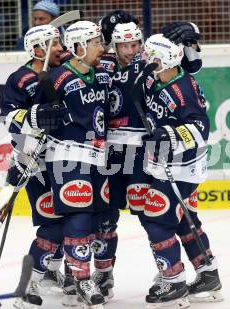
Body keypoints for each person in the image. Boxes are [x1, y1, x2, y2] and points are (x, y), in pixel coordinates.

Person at [91, 10, 205, 301]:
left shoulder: (150, 60)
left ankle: (172, 271)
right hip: (109, 152)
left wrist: (189, 32)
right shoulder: (101, 63)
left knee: (153, 216)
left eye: (135, 44)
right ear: (111, 44)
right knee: (104, 216)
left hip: (143, 150)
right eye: (123, 45)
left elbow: (191, 64)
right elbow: (71, 62)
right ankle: (102, 274)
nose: (131, 50)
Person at [138, 34, 223, 308]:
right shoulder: (163, 79)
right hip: (174, 166)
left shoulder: (182, 90)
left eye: (150, 57)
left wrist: (168, 136)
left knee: (157, 220)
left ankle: (173, 282)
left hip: (180, 168)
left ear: (164, 61)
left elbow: (201, 128)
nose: (145, 59)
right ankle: (207, 273)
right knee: (185, 221)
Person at [36, 20, 110, 308]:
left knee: (94, 219)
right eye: (94, 44)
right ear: (79, 47)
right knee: (78, 217)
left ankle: (74, 277)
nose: (100, 48)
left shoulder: (99, 74)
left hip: (97, 158)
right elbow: (35, 120)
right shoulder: (56, 79)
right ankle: (81, 280)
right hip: (67, 157)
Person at [0, 24, 69, 309]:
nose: (62, 49)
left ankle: (52, 271)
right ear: (38, 49)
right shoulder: (19, 79)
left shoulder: (63, 71)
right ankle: (28, 285)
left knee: (69, 221)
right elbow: (10, 119)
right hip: (36, 164)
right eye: (56, 44)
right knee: (52, 224)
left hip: (65, 161)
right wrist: (38, 116)